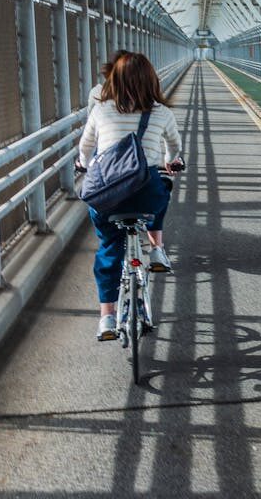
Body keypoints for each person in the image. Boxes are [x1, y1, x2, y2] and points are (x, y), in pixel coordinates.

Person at [78, 51, 183, 341]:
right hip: (145, 194)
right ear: (152, 80)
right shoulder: (161, 112)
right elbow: (174, 146)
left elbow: (85, 149)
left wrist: (84, 165)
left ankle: (107, 319)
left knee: (110, 248)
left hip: (107, 196)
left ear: (113, 79)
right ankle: (157, 248)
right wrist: (169, 161)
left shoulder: (101, 110)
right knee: (161, 188)